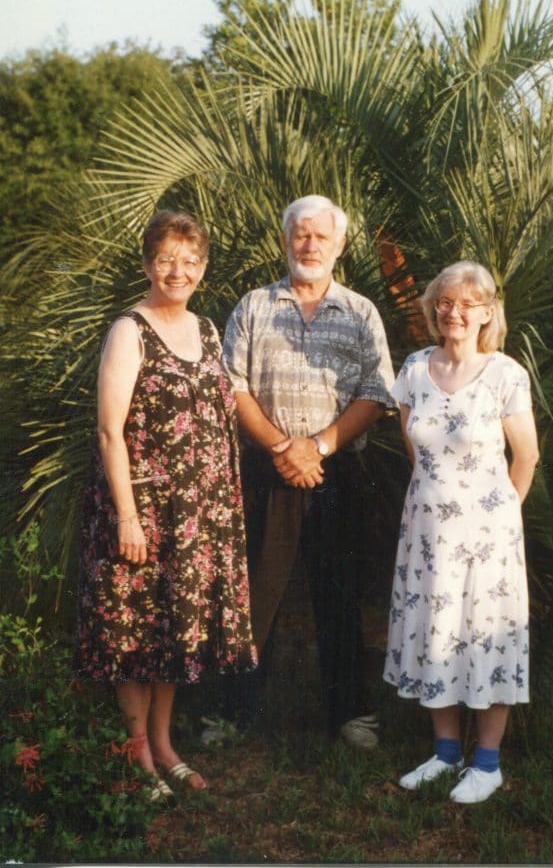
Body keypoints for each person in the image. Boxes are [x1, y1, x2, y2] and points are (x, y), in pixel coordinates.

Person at [74, 209, 256, 801]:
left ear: (203, 268)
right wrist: (127, 515)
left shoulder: (206, 329)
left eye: (190, 261)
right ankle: (138, 757)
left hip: (195, 514)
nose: (178, 271)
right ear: (148, 263)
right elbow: (108, 431)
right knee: (133, 630)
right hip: (143, 511)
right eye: (166, 259)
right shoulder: (129, 329)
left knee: (173, 628)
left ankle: (164, 742)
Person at [222, 194, 394, 747]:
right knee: (253, 593)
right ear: (284, 240)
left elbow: (377, 392)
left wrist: (317, 446)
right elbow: (234, 386)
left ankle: (350, 715)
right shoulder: (253, 306)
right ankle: (232, 712)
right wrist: (281, 447)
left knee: (339, 592)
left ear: (340, 245)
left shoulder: (362, 312)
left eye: (322, 235)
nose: (311, 244)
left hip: (337, 472)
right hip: (268, 469)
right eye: (301, 234)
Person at [383, 261, 539, 803]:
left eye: (467, 304)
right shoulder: (413, 370)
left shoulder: (505, 374)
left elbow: (527, 456)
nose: (454, 312)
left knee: (484, 632)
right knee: (437, 630)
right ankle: (446, 754)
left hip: (490, 537)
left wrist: (499, 518)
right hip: (427, 533)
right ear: (432, 310)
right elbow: (416, 448)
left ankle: (488, 764)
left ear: (486, 313)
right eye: (445, 302)